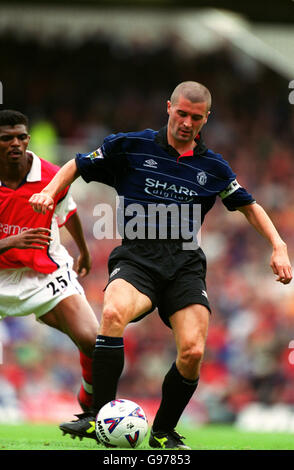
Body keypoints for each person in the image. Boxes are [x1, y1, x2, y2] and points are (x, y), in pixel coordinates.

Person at [29, 81, 292, 449]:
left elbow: (249, 205)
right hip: (137, 259)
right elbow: (76, 164)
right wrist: (48, 191)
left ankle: (164, 432)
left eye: (195, 117)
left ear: (206, 119)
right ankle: (97, 417)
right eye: (181, 113)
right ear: (169, 107)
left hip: (184, 269)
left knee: (193, 351)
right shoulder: (130, 146)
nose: (187, 122)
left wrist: (279, 246)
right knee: (113, 314)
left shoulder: (212, 167)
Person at [0, 109, 99, 418]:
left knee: (95, 342)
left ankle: (90, 399)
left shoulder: (51, 174)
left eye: (21, 137)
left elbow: (67, 211)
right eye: (6, 138)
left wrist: (82, 250)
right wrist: (10, 242)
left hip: (43, 272)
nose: (16, 143)